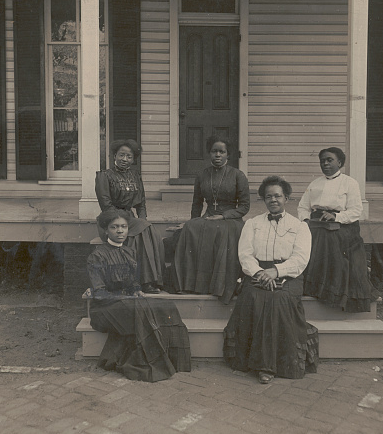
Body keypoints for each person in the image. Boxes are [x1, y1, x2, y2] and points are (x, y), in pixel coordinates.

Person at [224, 176, 319, 384]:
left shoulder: (300, 226)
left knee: (277, 301)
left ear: (287, 198)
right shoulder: (252, 224)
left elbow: (301, 259)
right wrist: (259, 273)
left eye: (278, 196)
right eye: (268, 197)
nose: (273, 200)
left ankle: (269, 366)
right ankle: (251, 361)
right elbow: (245, 255)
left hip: (289, 275)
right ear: (263, 200)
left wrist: (276, 272)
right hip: (257, 273)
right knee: (253, 296)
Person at [86, 209, 191, 382]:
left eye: (124, 227)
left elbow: (133, 281)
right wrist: (127, 297)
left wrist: (136, 290)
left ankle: (174, 361)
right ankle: (151, 363)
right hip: (104, 308)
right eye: (114, 227)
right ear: (106, 230)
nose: (120, 231)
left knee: (166, 307)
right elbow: (100, 293)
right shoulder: (97, 256)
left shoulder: (130, 252)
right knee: (140, 311)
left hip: (127, 303)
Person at [170, 135, 250, 304]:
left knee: (222, 232)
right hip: (208, 216)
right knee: (190, 229)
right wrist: (192, 221)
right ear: (209, 153)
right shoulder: (202, 175)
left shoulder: (238, 175)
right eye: (214, 151)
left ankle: (219, 286)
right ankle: (190, 284)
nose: (218, 155)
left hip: (230, 219)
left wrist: (224, 216)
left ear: (229, 154)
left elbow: (244, 207)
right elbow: (197, 203)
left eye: (222, 151)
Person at [298, 147, 378, 312]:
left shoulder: (349, 183)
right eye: (322, 161)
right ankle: (312, 288)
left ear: (340, 163)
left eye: (329, 160)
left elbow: (356, 211)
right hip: (317, 223)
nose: (325, 164)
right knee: (306, 239)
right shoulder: (315, 184)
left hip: (343, 225)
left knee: (330, 239)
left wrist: (336, 217)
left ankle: (332, 292)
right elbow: (303, 207)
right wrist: (305, 221)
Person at [95, 139, 165, 293]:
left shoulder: (135, 175)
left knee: (148, 230)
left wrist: (142, 220)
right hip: (109, 219)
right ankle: (140, 282)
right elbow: (106, 205)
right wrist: (126, 222)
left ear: (133, 160)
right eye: (121, 155)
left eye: (129, 157)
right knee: (138, 232)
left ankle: (147, 280)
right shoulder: (104, 176)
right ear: (114, 155)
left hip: (130, 217)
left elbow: (141, 204)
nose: (125, 160)